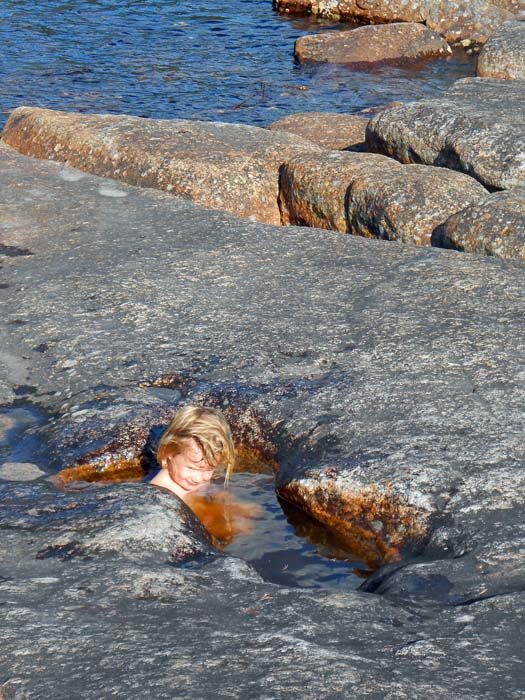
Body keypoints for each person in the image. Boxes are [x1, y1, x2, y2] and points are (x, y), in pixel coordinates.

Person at [151, 405, 261, 545]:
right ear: (170, 453)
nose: (199, 478)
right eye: (191, 468)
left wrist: (236, 505)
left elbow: (209, 491)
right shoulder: (161, 490)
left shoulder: (190, 478)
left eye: (208, 470)